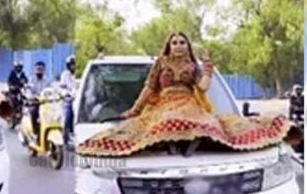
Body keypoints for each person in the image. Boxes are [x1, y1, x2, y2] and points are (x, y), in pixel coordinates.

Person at [78, 31, 297, 158]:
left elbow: (202, 88)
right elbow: (149, 88)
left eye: (182, 42)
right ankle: (172, 143)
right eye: (175, 42)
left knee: (209, 123)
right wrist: (135, 110)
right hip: (164, 104)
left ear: (187, 46)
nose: (179, 46)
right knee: (164, 120)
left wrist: (208, 68)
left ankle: (189, 142)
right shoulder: (160, 64)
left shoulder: (193, 66)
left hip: (188, 102)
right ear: (169, 46)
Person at [27, 61, 50, 137]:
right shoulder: (31, 79)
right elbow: (28, 90)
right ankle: (35, 132)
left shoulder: (47, 80)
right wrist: (31, 97)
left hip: (45, 103)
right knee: (33, 112)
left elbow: (51, 90)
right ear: (35, 70)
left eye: (41, 69)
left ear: (44, 70)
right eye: (38, 69)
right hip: (35, 102)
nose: (39, 71)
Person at [60, 56, 78, 146]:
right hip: (68, 99)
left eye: (74, 65)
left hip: (75, 99)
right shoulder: (64, 75)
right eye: (71, 65)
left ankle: (74, 133)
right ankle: (66, 135)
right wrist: (68, 93)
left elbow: (76, 86)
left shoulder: (75, 75)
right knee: (68, 115)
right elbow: (63, 88)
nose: (73, 67)